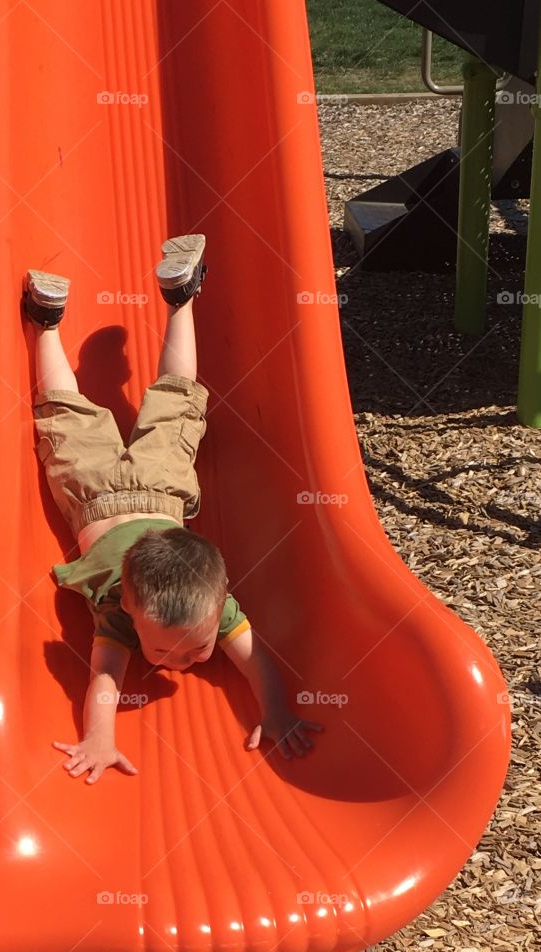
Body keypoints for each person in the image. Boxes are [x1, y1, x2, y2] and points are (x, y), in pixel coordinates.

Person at [24, 234, 322, 784]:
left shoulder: (206, 606)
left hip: (132, 488)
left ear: (219, 605)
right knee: (127, 403)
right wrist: (98, 739)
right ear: (132, 608)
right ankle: (97, 316)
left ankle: (65, 318)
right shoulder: (121, 611)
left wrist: (276, 712)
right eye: (166, 648)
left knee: (147, 401)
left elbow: (258, 663)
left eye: (198, 649)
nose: (181, 662)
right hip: (122, 490)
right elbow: (106, 683)